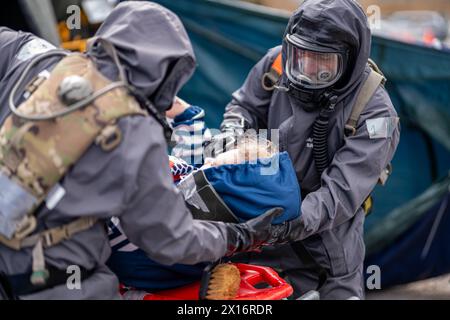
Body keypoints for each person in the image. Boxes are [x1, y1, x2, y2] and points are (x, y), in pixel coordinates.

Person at [0, 2, 282, 300]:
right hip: (54, 279)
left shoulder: (38, 57)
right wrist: (239, 237)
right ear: (167, 74)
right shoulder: (136, 132)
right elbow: (172, 241)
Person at [211, 0, 401, 299]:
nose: (309, 70)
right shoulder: (277, 63)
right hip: (257, 241)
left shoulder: (376, 114)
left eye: (324, 62)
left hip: (326, 254)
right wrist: (232, 134)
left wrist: (283, 227)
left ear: (350, 59)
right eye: (302, 56)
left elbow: (339, 194)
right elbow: (243, 106)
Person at [107, 101, 301, 293]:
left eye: (213, 164)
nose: (207, 160)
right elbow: (197, 166)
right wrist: (187, 116)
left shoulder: (158, 223)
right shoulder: (210, 238)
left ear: (213, 199)